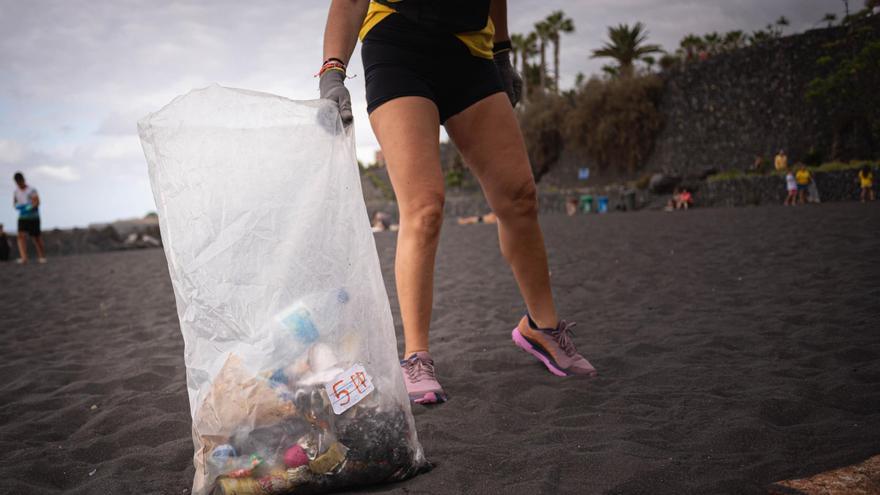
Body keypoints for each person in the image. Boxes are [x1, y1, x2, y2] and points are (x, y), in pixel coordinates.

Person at [321, 0, 596, 404]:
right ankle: (416, 355)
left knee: (519, 196)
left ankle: (543, 327)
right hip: (398, 45)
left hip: (470, 53)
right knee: (425, 205)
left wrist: (502, 52)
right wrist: (332, 71)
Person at [12, 172, 47, 264]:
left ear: (23, 180)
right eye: (17, 182)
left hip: (33, 217)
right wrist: (19, 207)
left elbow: (37, 202)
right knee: (20, 235)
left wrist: (30, 207)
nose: (19, 184)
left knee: (36, 237)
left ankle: (42, 256)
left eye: (20, 181)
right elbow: (15, 204)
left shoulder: (31, 190)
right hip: (22, 217)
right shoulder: (16, 192)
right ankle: (24, 258)